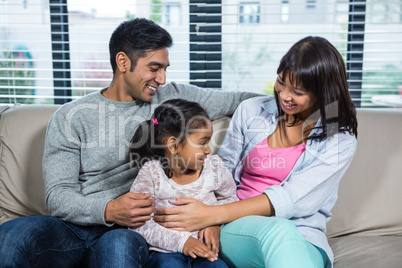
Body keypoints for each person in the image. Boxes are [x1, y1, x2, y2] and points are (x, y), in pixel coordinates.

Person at [0, 18, 260, 267]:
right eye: (154, 68)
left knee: (118, 249)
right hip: (71, 230)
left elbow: (242, 100)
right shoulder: (70, 117)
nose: (162, 79)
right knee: (12, 236)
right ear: (123, 62)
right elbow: (58, 196)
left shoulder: (173, 99)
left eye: (165, 69)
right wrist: (109, 209)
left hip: (127, 232)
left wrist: (292, 99)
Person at [153, 36, 358, 268]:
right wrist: (214, 219)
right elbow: (223, 173)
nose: (284, 96)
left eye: (297, 91)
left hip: (305, 236)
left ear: (322, 94)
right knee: (280, 231)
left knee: (290, 242)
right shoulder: (251, 111)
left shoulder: (339, 141)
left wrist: (211, 215)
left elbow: (293, 200)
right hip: (239, 227)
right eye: (281, 82)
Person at [129, 99, 238, 268]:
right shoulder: (151, 173)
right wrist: (183, 242)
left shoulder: (214, 166)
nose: (208, 150)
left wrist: (215, 221)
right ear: (173, 145)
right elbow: (138, 224)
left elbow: (231, 198)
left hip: (205, 251)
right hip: (166, 252)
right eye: (202, 143)